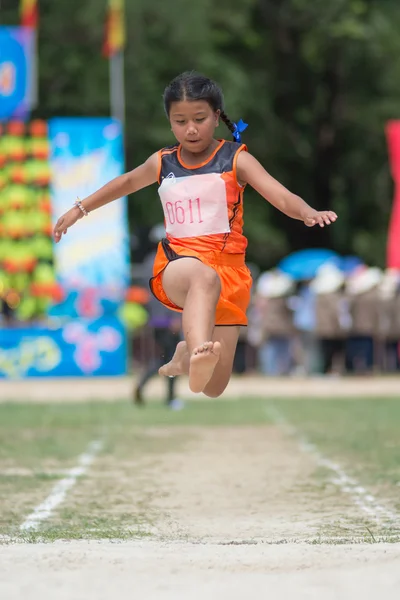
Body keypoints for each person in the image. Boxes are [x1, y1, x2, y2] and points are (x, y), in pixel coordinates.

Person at [53, 71, 337, 397]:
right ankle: (197, 346)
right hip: (179, 265)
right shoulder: (162, 162)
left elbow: (282, 196)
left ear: (216, 117)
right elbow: (126, 183)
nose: (190, 128)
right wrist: (79, 209)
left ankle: (185, 357)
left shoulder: (236, 159)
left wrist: (308, 213)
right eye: (180, 121)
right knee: (202, 277)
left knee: (214, 386)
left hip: (229, 273)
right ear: (170, 123)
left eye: (199, 119)